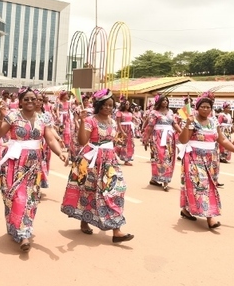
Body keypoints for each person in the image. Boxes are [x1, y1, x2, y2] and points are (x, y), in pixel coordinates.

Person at [0, 87, 68, 252]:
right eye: (26, 99)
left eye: (33, 99)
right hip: (13, 162)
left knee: (29, 198)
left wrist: (60, 153)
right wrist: (0, 118)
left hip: (33, 164)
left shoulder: (43, 118)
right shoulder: (12, 116)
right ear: (20, 101)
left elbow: (50, 139)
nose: (30, 102)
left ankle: (24, 233)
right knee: (15, 197)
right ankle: (16, 227)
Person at [61, 88, 134, 242]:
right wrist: (81, 121)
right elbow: (82, 141)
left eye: (111, 105)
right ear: (98, 105)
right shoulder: (90, 120)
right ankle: (85, 219)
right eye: (105, 105)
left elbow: (111, 140)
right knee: (90, 191)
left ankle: (116, 230)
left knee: (115, 191)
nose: (108, 108)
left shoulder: (113, 122)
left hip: (109, 161)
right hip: (91, 160)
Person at [178, 92, 234, 228]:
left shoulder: (214, 122)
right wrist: (187, 125)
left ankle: (186, 209)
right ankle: (210, 217)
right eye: (202, 107)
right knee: (202, 185)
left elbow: (223, 139)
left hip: (212, 158)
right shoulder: (192, 121)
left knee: (208, 185)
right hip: (194, 158)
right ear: (197, 108)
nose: (205, 109)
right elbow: (183, 139)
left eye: (208, 107)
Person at [142, 94, 182, 191]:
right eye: (163, 100)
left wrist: (182, 132)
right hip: (157, 138)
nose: (165, 102)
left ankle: (165, 180)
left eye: (166, 100)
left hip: (169, 139)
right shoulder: (154, 113)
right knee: (159, 157)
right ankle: (157, 179)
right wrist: (146, 139)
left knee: (168, 157)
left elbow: (174, 123)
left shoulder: (170, 112)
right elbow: (150, 126)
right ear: (159, 102)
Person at [115, 98, 135, 166]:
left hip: (130, 130)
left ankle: (126, 160)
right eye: (126, 104)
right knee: (120, 144)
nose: (128, 105)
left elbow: (132, 119)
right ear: (123, 104)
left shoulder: (130, 113)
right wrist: (122, 132)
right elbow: (118, 123)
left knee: (129, 145)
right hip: (122, 130)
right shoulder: (119, 112)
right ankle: (115, 158)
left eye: (129, 104)